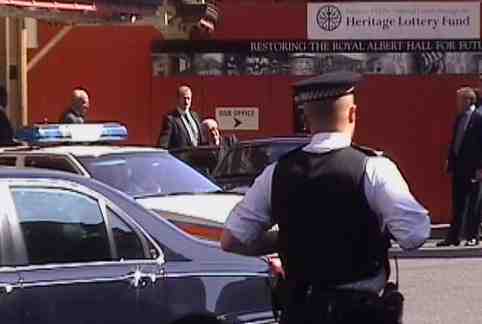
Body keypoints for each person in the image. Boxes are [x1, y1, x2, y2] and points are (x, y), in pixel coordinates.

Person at [221, 71, 430, 324]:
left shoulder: (276, 173)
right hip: (359, 313)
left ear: (306, 118)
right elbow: (415, 234)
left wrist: (285, 239)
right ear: (353, 113)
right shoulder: (373, 168)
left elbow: (231, 240)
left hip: (300, 311)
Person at [438, 87, 482, 247]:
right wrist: (450, 159)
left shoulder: (478, 118)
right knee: (458, 204)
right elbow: (456, 142)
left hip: (474, 169)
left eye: (459, 100)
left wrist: (480, 168)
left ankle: (473, 235)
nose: (457, 103)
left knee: (474, 204)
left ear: (469, 100)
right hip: (459, 168)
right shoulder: (459, 118)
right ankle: (453, 237)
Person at [159, 85, 205, 149]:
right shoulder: (170, 119)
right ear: (178, 99)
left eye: (188, 98)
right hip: (179, 157)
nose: (186, 102)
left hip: (197, 156)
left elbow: (201, 139)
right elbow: (164, 143)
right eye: (184, 98)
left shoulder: (195, 116)